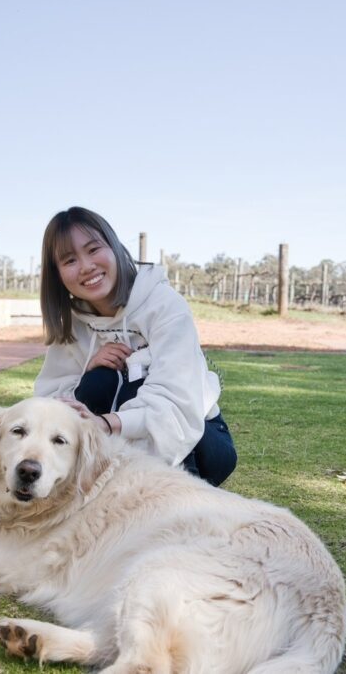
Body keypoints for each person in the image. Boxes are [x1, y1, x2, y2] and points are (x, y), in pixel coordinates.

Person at [34, 207, 237, 486]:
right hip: (115, 446)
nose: (86, 266)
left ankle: (174, 506)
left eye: (93, 250)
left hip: (201, 439)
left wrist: (106, 423)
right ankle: (108, 494)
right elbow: (49, 404)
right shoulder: (72, 324)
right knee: (96, 382)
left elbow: (175, 402)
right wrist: (87, 369)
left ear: (115, 247)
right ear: (57, 274)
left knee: (135, 380)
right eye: (69, 260)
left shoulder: (164, 305)